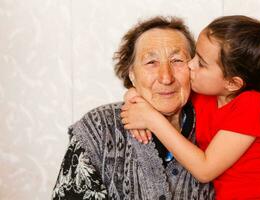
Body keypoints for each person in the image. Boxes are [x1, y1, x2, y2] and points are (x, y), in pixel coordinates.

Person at [121, 15, 260, 199]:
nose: (190, 64)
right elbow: (165, 89)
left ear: (232, 83)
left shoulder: (253, 105)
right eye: (195, 55)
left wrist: (152, 120)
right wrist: (133, 94)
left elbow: (205, 169)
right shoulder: (205, 94)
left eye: (201, 63)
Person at [52, 16, 215, 200]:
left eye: (177, 60)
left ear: (194, 67)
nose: (166, 77)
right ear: (132, 75)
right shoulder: (99, 128)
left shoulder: (219, 126)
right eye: (151, 63)